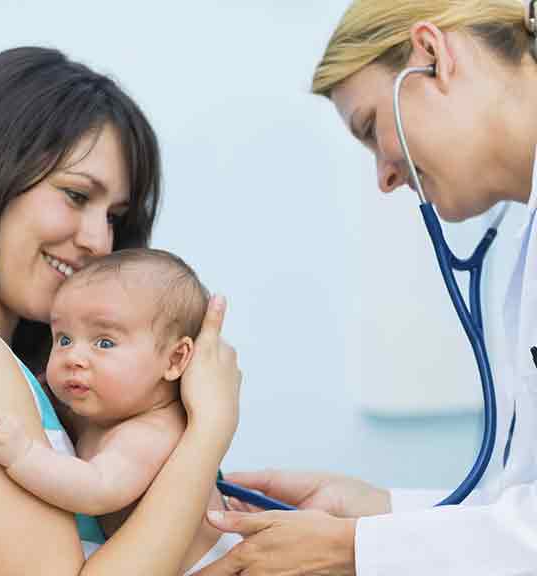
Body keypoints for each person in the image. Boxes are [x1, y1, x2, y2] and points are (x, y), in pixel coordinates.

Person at [194, 0, 537, 574]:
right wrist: (374, 514)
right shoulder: (518, 244)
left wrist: (353, 549)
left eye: (372, 128)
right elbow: (519, 512)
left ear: (432, 56)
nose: (384, 176)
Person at [0, 46, 241, 575]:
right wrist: (209, 430)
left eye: (114, 216)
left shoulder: (47, 384)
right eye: (74, 195)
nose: (97, 240)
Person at [0, 247, 241, 573]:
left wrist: (22, 454)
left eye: (104, 343)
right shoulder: (102, 410)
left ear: (176, 359)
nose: (72, 357)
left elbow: (96, 488)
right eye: (63, 339)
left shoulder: (155, 430)